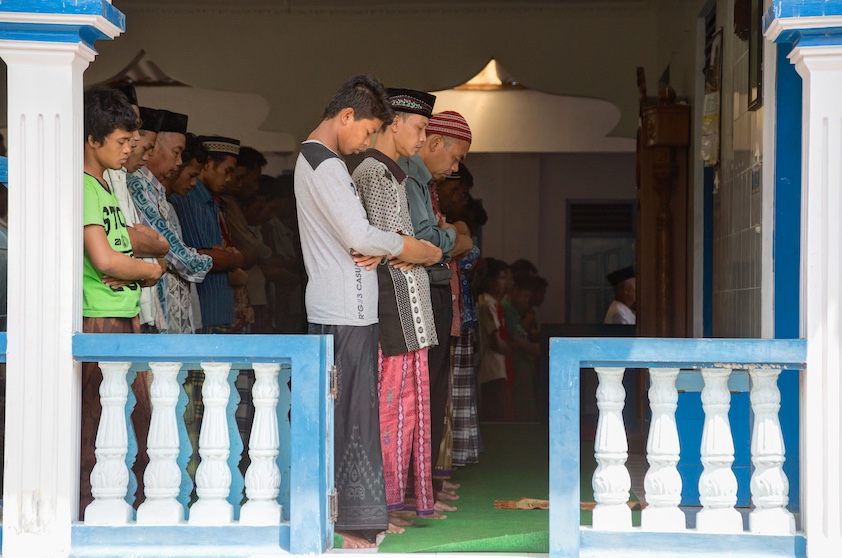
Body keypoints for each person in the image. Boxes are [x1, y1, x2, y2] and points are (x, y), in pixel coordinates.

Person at [294, 75, 441, 549]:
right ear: (346, 117)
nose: (366, 142)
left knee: (351, 417)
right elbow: (360, 235)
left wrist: (383, 247)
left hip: (345, 306)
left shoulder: (322, 161)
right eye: (366, 130)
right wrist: (410, 247)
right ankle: (352, 523)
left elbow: (360, 237)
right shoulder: (327, 165)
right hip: (344, 309)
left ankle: (350, 517)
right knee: (352, 419)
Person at [352, 88, 443, 525]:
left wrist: (420, 250)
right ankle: (386, 506)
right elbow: (396, 246)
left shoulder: (394, 173)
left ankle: (404, 502)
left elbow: (409, 248)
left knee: (410, 412)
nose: (423, 139)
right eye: (420, 127)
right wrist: (426, 251)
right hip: (394, 309)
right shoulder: (372, 171)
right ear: (394, 123)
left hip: (411, 308)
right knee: (393, 413)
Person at [79, 86, 165, 516]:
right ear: (92, 139)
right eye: (120, 142)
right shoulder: (85, 187)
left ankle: (133, 503)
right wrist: (149, 270)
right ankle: (91, 508)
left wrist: (127, 269)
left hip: (121, 314)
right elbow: (105, 259)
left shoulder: (104, 184)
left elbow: (116, 259)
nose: (128, 150)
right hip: (101, 321)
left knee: (134, 418)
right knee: (99, 422)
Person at [399, 111, 473, 508]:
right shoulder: (409, 179)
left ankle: (422, 490)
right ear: (433, 144)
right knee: (421, 392)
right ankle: (412, 492)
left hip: (434, 291)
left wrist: (452, 238)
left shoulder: (423, 183)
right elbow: (426, 239)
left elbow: (440, 241)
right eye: (456, 157)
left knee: (433, 392)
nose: (455, 167)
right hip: (423, 291)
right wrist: (455, 235)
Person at [170, 136, 246, 333]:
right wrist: (233, 258)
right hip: (206, 311)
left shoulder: (209, 200)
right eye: (227, 171)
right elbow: (201, 255)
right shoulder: (190, 198)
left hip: (216, 311)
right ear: (209, 164)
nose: (229, 179)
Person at [477, 258, 513, 422]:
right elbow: (495, 341)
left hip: (497, 367)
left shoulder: (494, 303)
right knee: (495, 416)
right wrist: (515, 349)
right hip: (491, 368)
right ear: (490, 281)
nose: (505, 283)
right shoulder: (486, 303)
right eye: (501, 278)